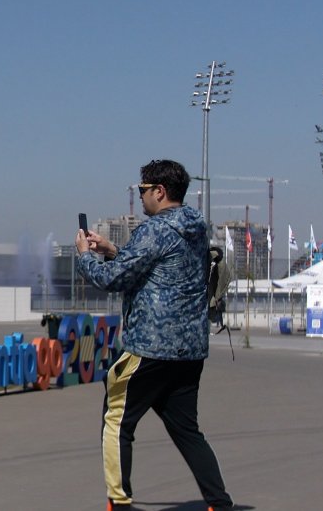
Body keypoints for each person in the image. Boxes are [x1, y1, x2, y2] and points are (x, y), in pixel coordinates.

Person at [74, 159, 233, 510]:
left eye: (143, 190)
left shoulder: (154, 229)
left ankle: (119, 501)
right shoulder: (196, 227)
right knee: (187, 430)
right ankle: (220, 503)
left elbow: (113, 280)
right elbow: (161, 266)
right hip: (189, 349)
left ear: (159, 191)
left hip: (148, 347)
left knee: (117, 420)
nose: (141, 196)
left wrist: (86, 256)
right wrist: (113, 251)